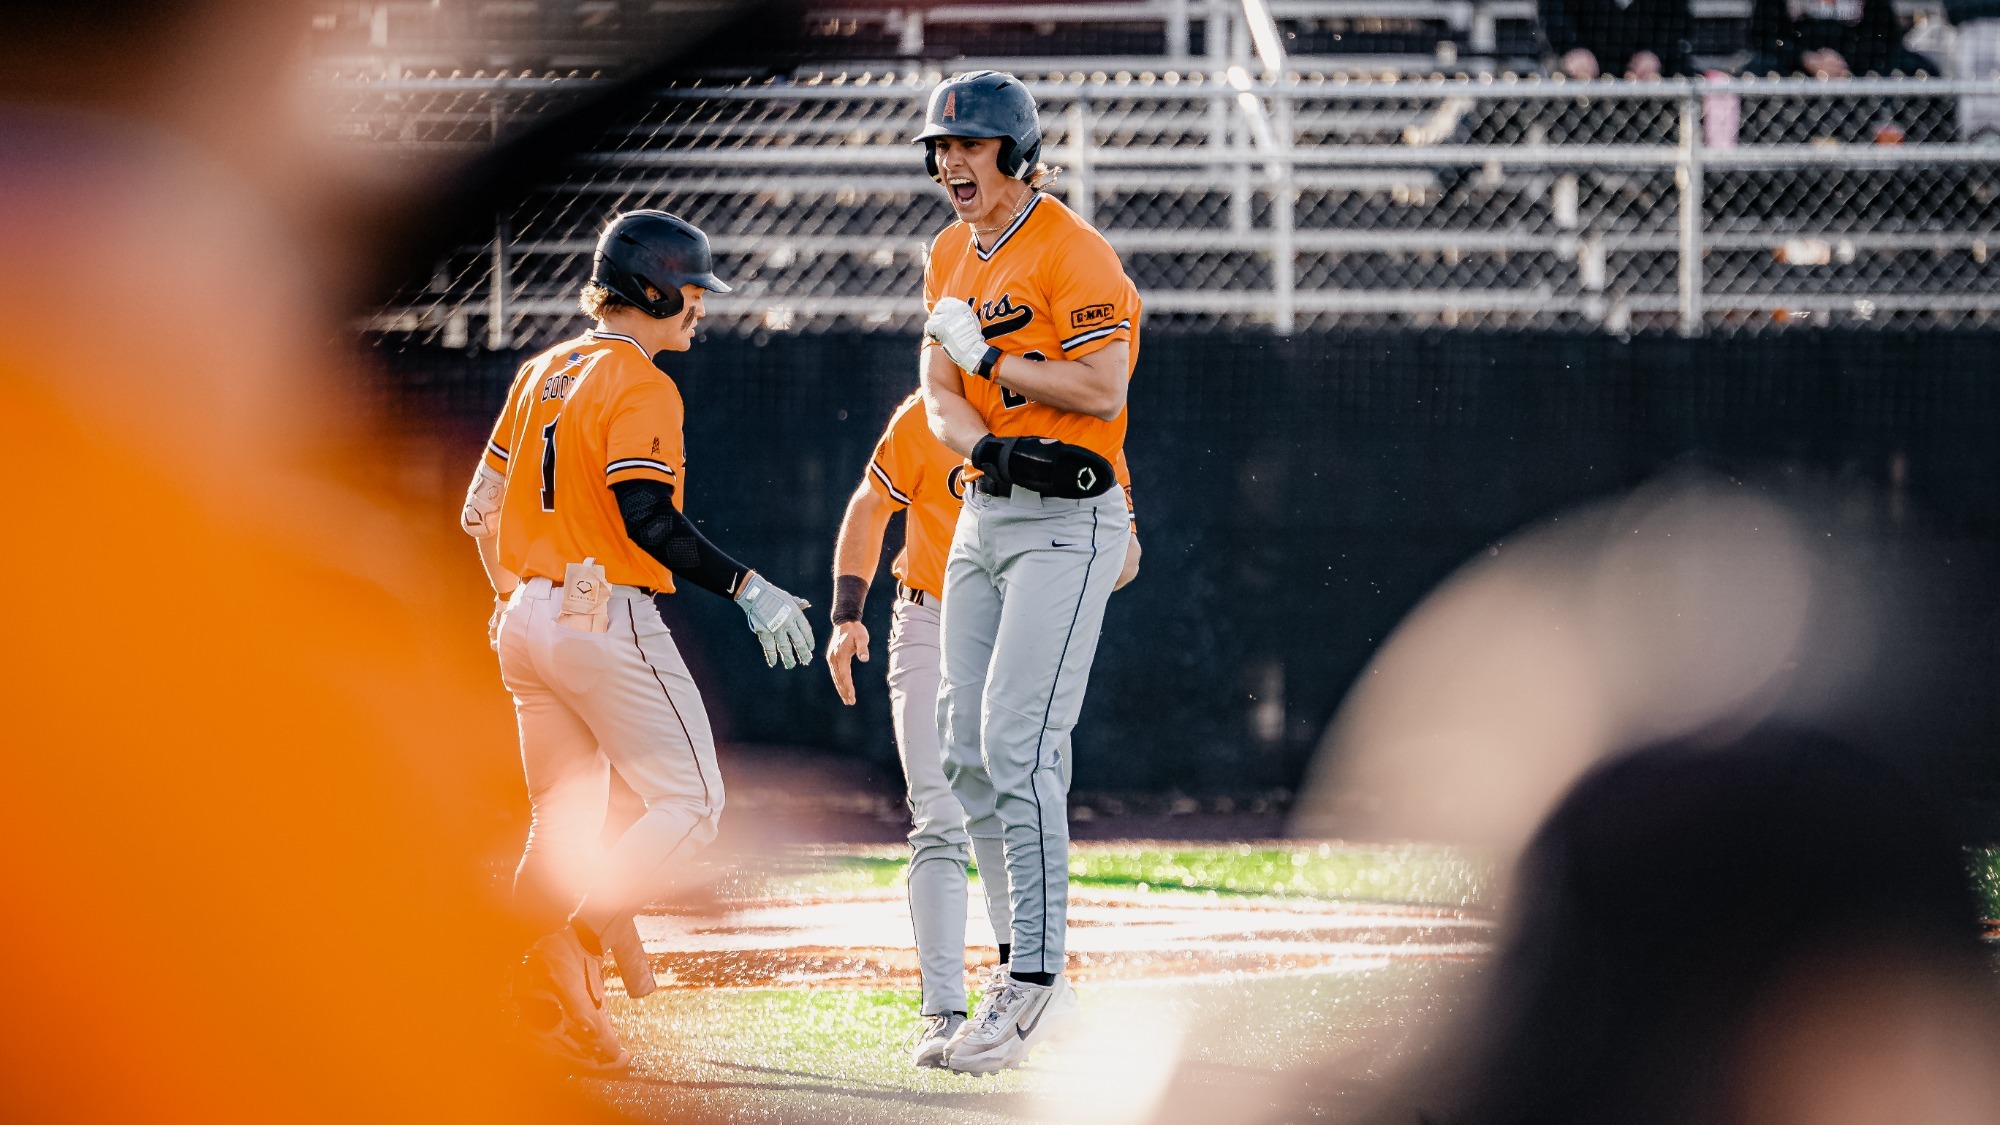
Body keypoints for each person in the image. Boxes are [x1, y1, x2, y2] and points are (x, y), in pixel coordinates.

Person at [460, 209, 816, 1073]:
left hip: (526, 621)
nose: (700, 304)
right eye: (692, 288)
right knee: (693, 805)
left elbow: (478, 510)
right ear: (654, 286)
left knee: (561, 821)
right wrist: (750, 588)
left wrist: (515, 597)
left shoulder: (542, 369)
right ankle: (573, 945)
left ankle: (534, 1006)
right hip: (602, 614)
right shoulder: (643, 382)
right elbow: (646, 517)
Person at [910, 69, 1143, 1074]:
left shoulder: (1074, 249)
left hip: (1068, 522)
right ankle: (1020, 969)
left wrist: (997, 369)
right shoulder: (947, 252)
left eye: (967, 144)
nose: (949, 162)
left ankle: (1036, 982)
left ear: (1013, 152)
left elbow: (1101, 385)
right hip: (987, 511)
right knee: (961, 746)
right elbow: (933, 390)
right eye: (940, 147)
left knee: (1018, 740)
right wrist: (985, 450)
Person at [825, 390, 1141, 1068]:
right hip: (933, 612)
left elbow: (1126, 552)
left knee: (1026, 790)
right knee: (938, 813)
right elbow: (870, 502)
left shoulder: (1072, 422)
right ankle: (943, 1008)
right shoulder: (929, 413)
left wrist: (1061, 575)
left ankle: (1026, 981)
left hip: (1022, 618)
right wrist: (846, 611)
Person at [1746, 0, 1939, 75]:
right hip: (1793, 68)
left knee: (1918, 68)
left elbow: (1885, 34)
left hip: (1860, 67)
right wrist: (1807, 59)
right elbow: (1763, 35)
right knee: (1757, 70)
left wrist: (1843, 62)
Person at [1540, 0, 1694, 78]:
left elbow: (1677, 18)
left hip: (1648, 79)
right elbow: (1551, 12)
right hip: (1582, 75)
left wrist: (1657, 54)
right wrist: (1571, 49)